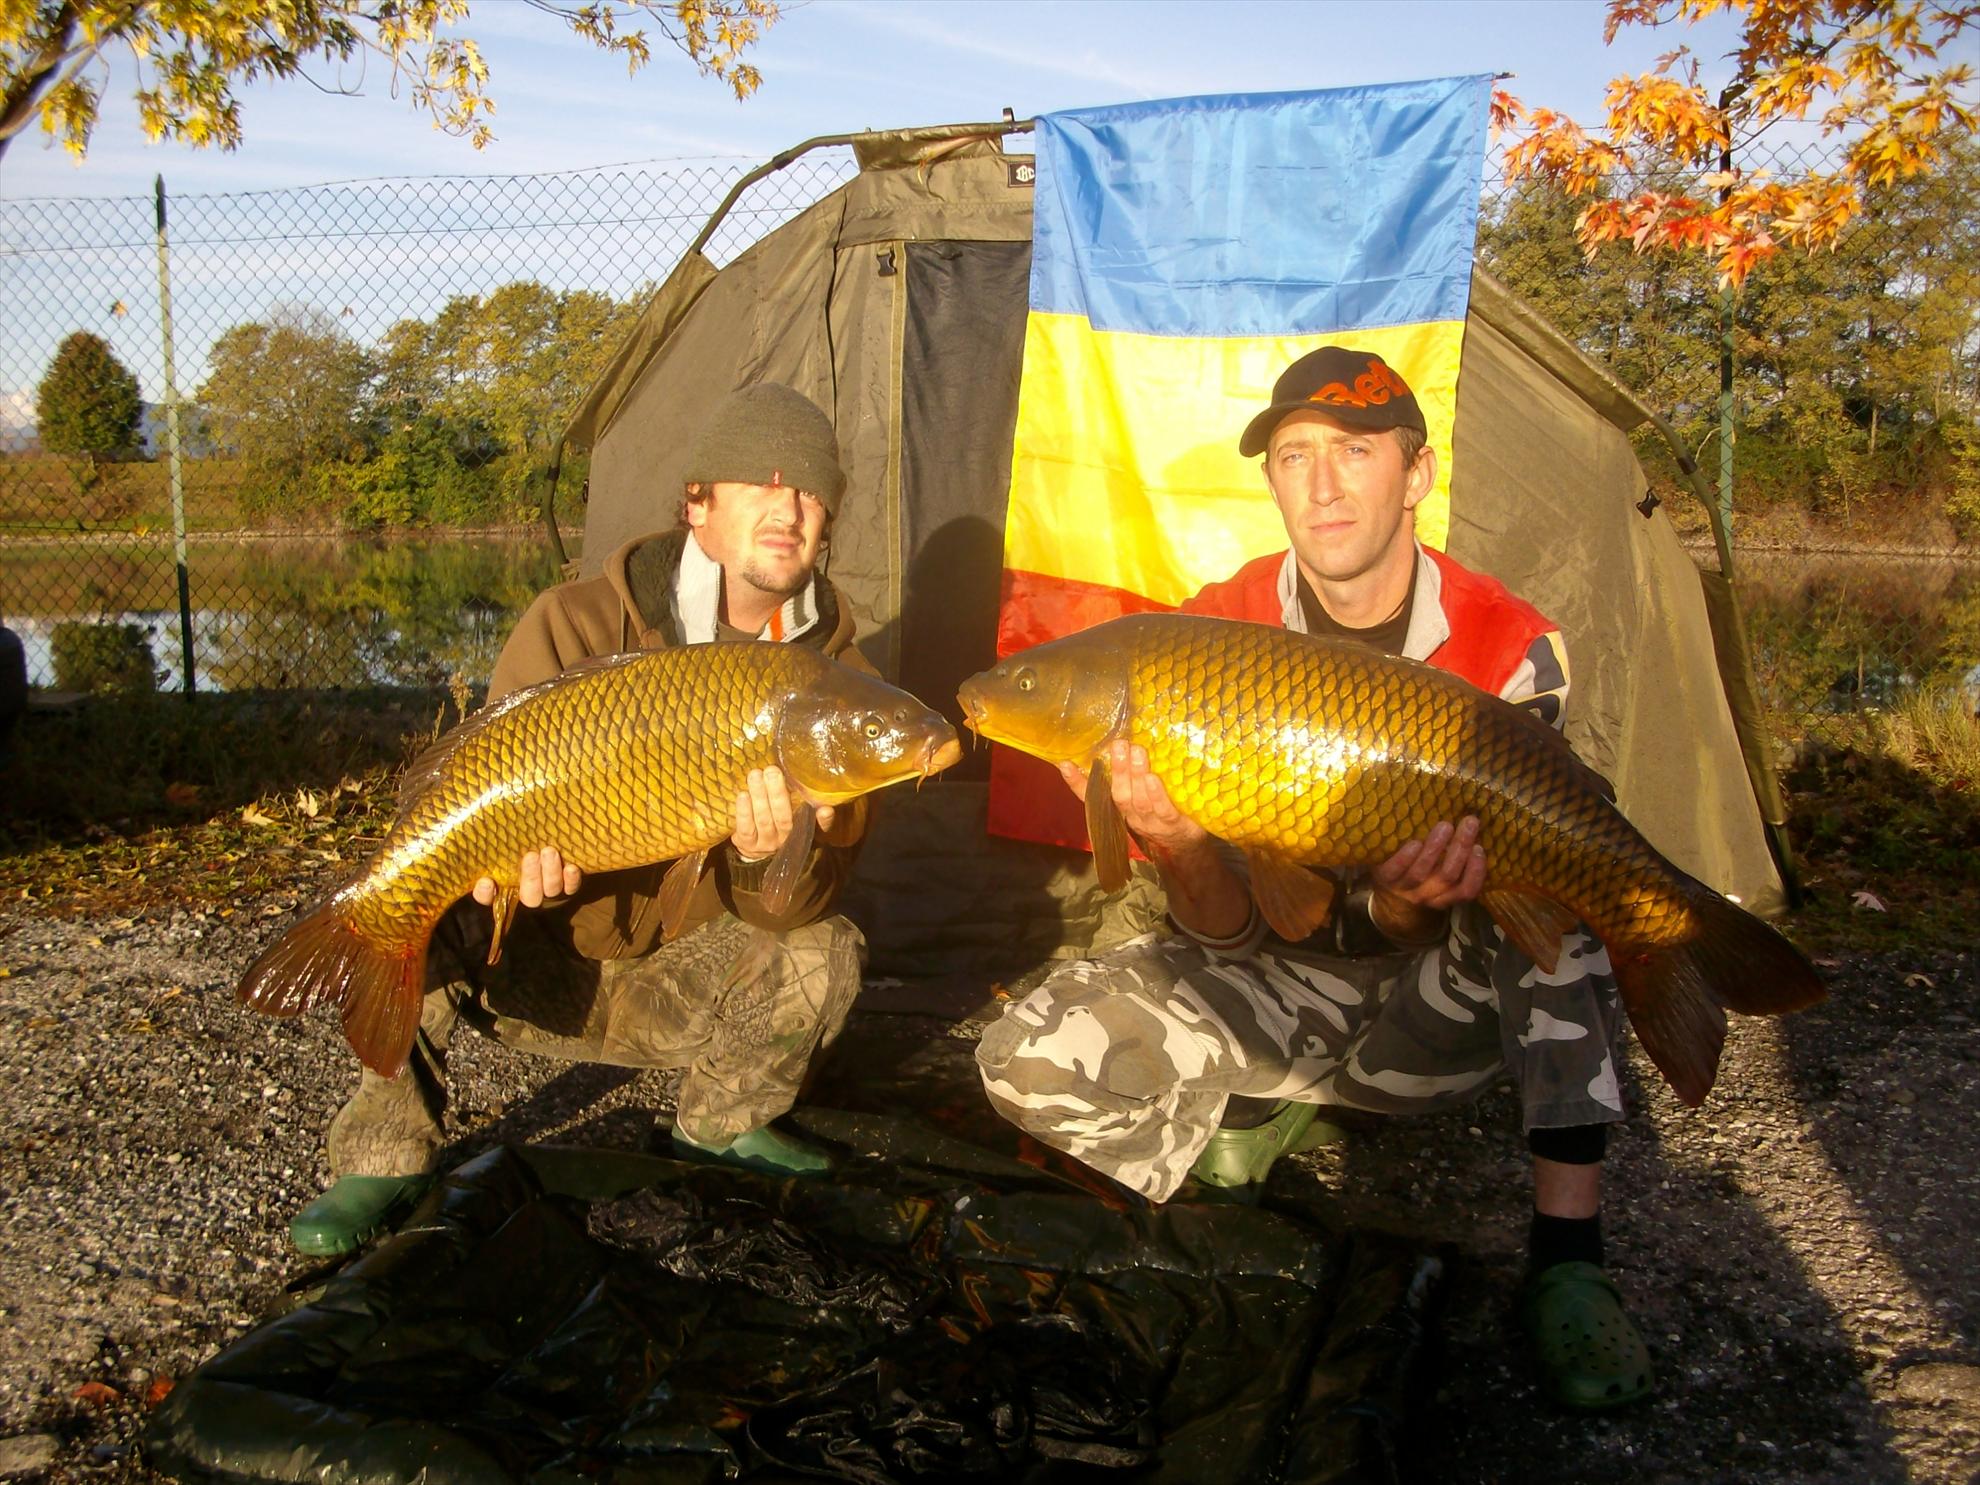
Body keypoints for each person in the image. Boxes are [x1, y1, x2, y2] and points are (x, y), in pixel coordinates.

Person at [974, 347, 1654, 1412]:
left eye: (1354, 452)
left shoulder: (1512, 646)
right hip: (1291, 984)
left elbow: (1516, 871)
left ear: (1417, 473)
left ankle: (1571, 1256)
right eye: (1294, 457)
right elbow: (1229, 933)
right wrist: (1184, 842)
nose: (1322, 485)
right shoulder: (1205, 634)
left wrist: (1397, 907)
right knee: (1021, 1056)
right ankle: (1231, 1154)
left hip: (1440, 1009)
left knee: (1565, 892)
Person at [291, 383, 873, 1257]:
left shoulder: (838, 684)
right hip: (537, 956)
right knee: (426, 893)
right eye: (763, 482)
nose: (790, 509)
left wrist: (770, 855)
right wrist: (518, 884)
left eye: (813, 492)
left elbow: (790, 912)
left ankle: (721, 1121)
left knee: (828, 949)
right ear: (697, 503)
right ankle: (382, 1151)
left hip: (673, 988)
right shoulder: (572, 620)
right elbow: (476, 788)